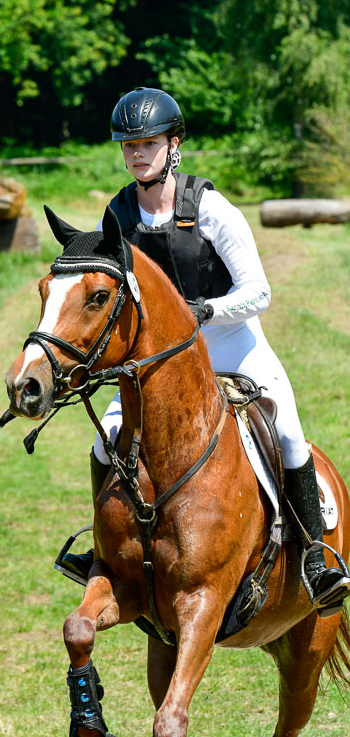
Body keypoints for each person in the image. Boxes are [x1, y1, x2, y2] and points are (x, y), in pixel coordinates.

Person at [58, 86, 350, 615]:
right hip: (158, 361)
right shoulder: (119, 214)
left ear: (174, 145)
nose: (137, 154)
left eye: (148, 143)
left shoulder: (211, 209)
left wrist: (204, 312)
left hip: (231, 346)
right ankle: (101, 550)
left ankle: (315, 557)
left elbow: (259, 291)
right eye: (128, 146)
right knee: (105, 444)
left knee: (286, 431)